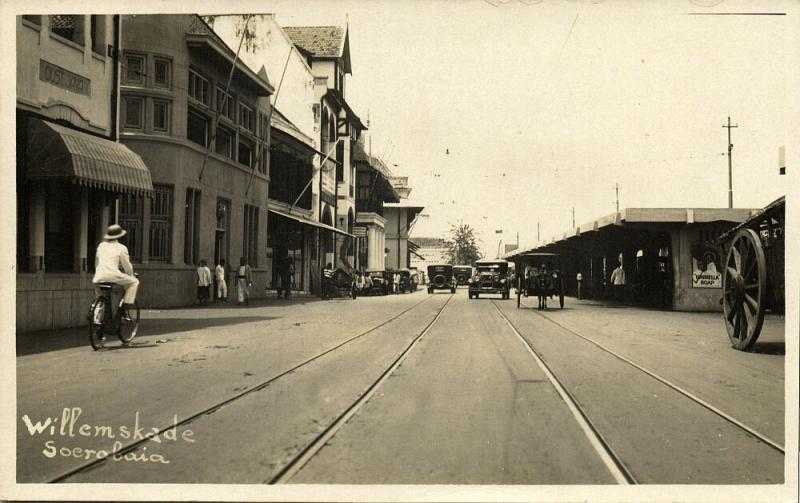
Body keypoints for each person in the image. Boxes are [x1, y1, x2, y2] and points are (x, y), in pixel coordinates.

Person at [93, 224, 139, 320]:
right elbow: (126, 266)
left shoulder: (101, 246)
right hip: (112, 275)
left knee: (100, 300)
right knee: (134, 282)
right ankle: (125, 306)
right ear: (119, 236)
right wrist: (131, 275)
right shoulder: (121, 248)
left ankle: (96, 323)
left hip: (98, 276)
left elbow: (97, 262)